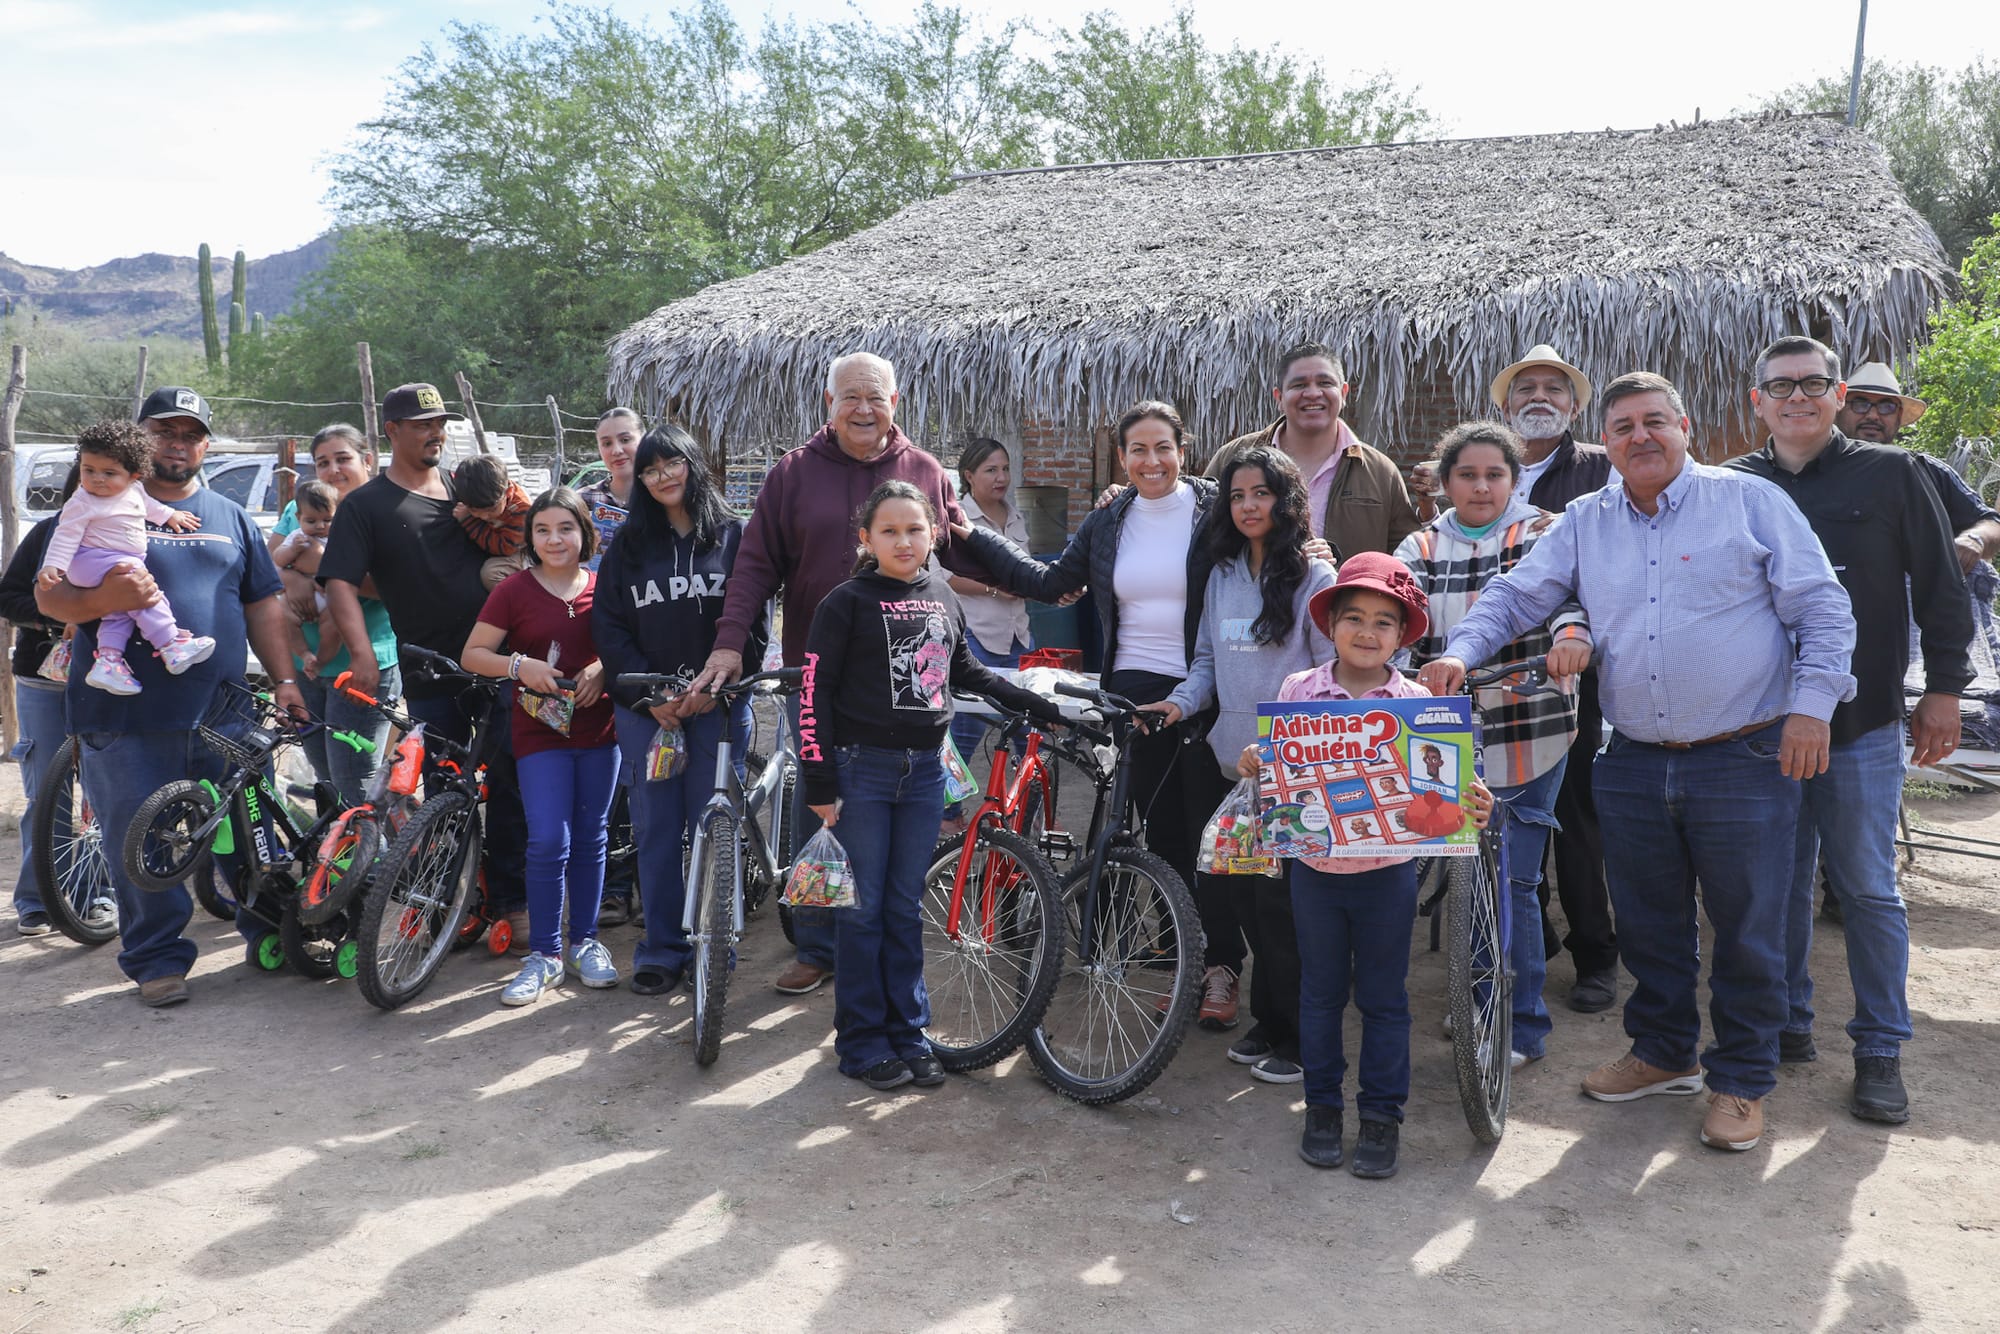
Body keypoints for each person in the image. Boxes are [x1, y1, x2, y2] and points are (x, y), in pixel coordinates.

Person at [1421, 371, 1857, 1154]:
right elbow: (1517, 598)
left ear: (1685, 426)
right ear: (1608, 443)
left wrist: (1812, 709)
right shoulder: (1587, 520)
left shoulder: (1748, 502)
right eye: (1624, 428)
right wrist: (1458, 653)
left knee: (1747, 929)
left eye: (1654, 422)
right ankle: (1662, 1053)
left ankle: (1742, 1081)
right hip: (1631, 757)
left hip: (1746, 752)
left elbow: (1821, 605)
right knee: (1651, 926)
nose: (1640, 437)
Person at [689, 352, 1011, 996]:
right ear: (828, 403)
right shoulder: (793, 473)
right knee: (821, 805)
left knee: (897, 814)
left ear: (897, 401)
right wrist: (730, 646)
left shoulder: (924, 470)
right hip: (822, 681)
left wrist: (1049, 578)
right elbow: (754, 565)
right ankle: (818, 942)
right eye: (850, 398)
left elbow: (966, 543)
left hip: (904, 691)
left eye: (876, 397)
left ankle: (879, 946)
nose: (864, 409)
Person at [1725, 335, 1972, 1124]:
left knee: (1866, 887)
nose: (1797, 397)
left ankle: (1878, 1047)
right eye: (1781, 386)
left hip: (1861, 722)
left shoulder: (1896, 474)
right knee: (1778, 884)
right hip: (1760, 724)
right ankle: (1788, 1022)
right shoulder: (1732, 485)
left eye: (1813, 383)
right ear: (1757, 401)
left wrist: (1943, 690)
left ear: (1835, 396)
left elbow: (1940, 586)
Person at [958, 401, 1250, 1028]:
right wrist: (971, 535)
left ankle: (1223, 966)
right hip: (1130, 691)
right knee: (1161, 829)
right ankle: (1180, 944)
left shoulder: (1213, 509)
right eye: (1138, 450)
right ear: (1121, 458)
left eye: (1163, 447)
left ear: (1184, 449)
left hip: (1207, 685)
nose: (1152, 461)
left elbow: (1267, 539)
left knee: (1210, 829)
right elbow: (1049, 583)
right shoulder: (1109, 520)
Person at [35, 390, 302, 1007]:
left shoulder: (231, 516)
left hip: (226, 710)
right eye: (164, 431)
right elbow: (48, 599)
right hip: (124, 713)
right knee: (140, 838)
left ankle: (269, 931)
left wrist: (284, 680)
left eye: (191, 433)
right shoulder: (98, 504)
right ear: (139, 438)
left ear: (206, 445)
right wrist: (109, 600)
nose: (177, 444)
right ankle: (157, 959)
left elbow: (263, 601)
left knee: (249, 828)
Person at [800, 480, 1063, 1090]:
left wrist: (1035, 702)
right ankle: (863, 1042)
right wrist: (820, 779)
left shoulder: (943, 595)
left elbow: (967, 671)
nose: (903, 540)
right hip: (861, 772)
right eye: (888, 530)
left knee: (902, 907)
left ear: (934, 535)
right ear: (865, 539)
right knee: (863, 912)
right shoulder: (843, 603)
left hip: (924, 775)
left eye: (914, 529)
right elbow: (813, 695)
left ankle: (909, 1033)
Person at [1240, 553, 1489, 1178]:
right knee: (1319, 996)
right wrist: (1256, 760)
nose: (1367, 632)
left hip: (1387, 875)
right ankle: (1321, 1108)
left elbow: (1446, 790)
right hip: (1315, 873)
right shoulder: (1300, 691)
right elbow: (1278, 771)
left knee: (1384, 1000)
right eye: (1354, 617)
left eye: (1384, 621)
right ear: (1331, 625)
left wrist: (1471, 799)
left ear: (1403, 635)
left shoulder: (1416, 702)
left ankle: (1382, 1118)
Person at [1395, 421, 1592, 1072]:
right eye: (1467, 475)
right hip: (1439, 731)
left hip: (1527, 726)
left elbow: (1567, 598)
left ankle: (1523, 1024)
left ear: (1513, 478)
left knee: (1513, 877)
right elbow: (1396, 619)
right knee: (1461, 869)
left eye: (1494, 474)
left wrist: (1570, 636)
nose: (1481, 486)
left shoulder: (1542, 531)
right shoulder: (1421, 543)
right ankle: (1476, 993)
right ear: (1446, 482)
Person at [1144, 445, 1335, 1082]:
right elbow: (1206, 664)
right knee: (1247, 905)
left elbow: (1331, 680)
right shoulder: (1222, 572)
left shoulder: (1313, 576)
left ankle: (1302, 1040)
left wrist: (1290, 751)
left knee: (1285, 912)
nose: (1249, 505)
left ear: (1286, 501)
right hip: (1232, 769)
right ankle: (1270, 1021)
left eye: (1261, 493)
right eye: (1238, 495)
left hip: (1292, 774)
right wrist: (1176, 706)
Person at [319, 383, 531, 951]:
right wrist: (362, 653)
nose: (434, 432)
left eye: (438, 423)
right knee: (443, 788)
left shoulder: (471, 490)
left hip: (500, 661)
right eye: (420, 424)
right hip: (430, 669)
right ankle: (448, 898)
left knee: (511, 779)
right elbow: (338, 580)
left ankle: (512, 899)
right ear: (391, 432)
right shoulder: (366, 505)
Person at [593, 425, 765, 994]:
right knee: (657, 832)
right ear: (639, 481)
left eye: (672, 463)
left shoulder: (735, 537)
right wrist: (649, 697)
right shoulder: (627, 547)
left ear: (693, 464)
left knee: (716, 830)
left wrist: (714, 688)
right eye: (650, 469)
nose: (663, 476)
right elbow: (609, 630)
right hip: (650, 716)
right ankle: (662, 948)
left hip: (717, 710)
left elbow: (754, 626)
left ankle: (717, 945)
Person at [1482, 345, 1621, 1013]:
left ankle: (1596, 954)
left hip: (1569, 670)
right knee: (1501, 821)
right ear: (1504, 406)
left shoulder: (1600, 470)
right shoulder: (1487, 470)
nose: (1539, 397)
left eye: (1553, 388)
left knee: (1575, 817)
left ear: (1573, 405)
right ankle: (1528, 943)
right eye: (1526, 388)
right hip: (1488, 679)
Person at [461, 487, 618, 1005]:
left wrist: (603, 667)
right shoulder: (514, 591)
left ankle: (585, 943)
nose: (555, 539)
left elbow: (630, 646)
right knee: (549, 838)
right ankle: (546, 955)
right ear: (530, 537)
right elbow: (473, 654)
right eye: (543, 529)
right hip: (538, 732)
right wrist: (518, 665)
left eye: (566, 528)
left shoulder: (606, 587)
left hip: (601, 732)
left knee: (592, 838)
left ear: (585, 533)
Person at [36, 421, 213, 694]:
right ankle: (170, 644)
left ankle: (109, 663)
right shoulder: (82, 501)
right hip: (92, 561)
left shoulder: (134, 492)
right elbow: (66, 535)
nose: (97, 479)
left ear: (134, 475)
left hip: (114, 562)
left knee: (121, 612)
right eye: (88, 470)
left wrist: (171, 516)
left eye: (109, 472)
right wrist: (53, 567)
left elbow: (149, 507)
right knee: (141, 589)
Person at [276, 425, 399, 805]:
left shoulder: (384, 509)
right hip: (306, 665)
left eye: (342, 458)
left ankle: (373, 863)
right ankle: (343, 860)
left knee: (354, 785)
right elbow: (268, 564)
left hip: (361, 666)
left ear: (367, 459)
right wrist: (293, 578)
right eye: (322, 462)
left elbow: (393, 586)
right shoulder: (303, 508)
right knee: (328, 780)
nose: (333, 470)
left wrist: (324, 569)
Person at [1205, 342, 1420, 560]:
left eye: (1325, 383)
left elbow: (1406, 558)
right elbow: (1201, 537)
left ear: (1344, 392)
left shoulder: (1380, 472)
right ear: (1279, 397)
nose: (1313, 393)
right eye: (1299, 385)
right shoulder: (1232, 458)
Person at [2, 466, 87, 936]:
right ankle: (37, 901)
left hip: (111, 685)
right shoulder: (46, 534)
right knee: (45, 796)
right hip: (43, 681)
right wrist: (60, 617)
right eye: (85, 483)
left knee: (105, 795)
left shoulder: (135, 537)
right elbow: (8, 596)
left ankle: (96, 893)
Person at [938, 437, 1035, 833]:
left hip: (1019, 636)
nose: (1001, 478)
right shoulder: (956, 519)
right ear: (968, 476)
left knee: (1028, 731)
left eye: (1005, 469)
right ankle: (948, 817)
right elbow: (942, 577)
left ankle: (1023, 817)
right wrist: (995, 589)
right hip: (975, 636)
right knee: (964, 732)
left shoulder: (1015, 516)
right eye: (990, 470)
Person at [1836, 363, 2000, 574]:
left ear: (1898, 416)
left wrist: (1975, 539)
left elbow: (1991, 522)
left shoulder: (1928, 472)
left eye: (1886, 406)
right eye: (1860, 404)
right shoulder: (1812, 471)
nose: (1873, 415)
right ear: (1839, 408)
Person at [577, 408, 644, 923]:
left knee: (658, 771)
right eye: (607, 443)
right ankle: (615, 887)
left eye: (625, 439)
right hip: (598, 640)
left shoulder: (664, 498)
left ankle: (656, 884)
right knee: (618, 774)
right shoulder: (586, 504)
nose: (617, 450)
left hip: (655, 642)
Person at [272, 481, 346, 677]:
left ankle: (320, 661)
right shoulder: (297, 537)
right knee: (284, 620)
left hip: (328, 599)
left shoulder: (341, 538)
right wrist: (293, 550)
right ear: (299, 518)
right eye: (311, 521)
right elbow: (277, 559)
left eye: (328, 520)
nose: (320, 526)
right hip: (294, 599)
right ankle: (304, 654)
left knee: (334, 627)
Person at [454, 454, 533, 590]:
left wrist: (469, 521)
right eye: (475, 510)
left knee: (491, 573)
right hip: (496, 537)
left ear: (507, 493)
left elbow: (505, 548)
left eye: (491, 510)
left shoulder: (522, 510)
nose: (484, 516)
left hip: (520, 548)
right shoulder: (470, 491)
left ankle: (517, 604)